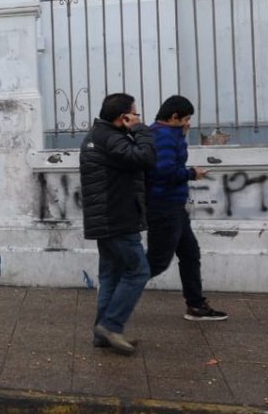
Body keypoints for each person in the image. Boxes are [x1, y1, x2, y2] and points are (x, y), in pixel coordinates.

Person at [80, 93, 156, 354]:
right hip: (119, 218)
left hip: (108, 217)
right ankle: (111, 326)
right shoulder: (111, 139)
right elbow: (145, 158)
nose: (137, 117)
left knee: (111, 275)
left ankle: (102, 333)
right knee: (138, 271)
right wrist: (140, 130)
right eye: (134, 113)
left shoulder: (98, 136)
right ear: (123, 116)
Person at [146, 95, 227, 321]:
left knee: (190, 254)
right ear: (174, 117)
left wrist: (181, 137)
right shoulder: (162, 136)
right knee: (157, 262)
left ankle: (196, 305)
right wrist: (193, 173)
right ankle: (117, 288)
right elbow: (165, 172)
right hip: (164, 206)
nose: (188, 122)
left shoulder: (169, 134)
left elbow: (171, 163)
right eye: (187, 118)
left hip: (173, 206)